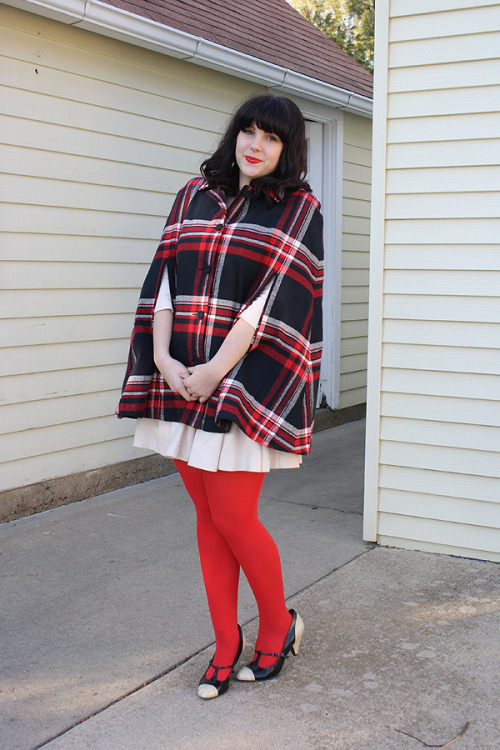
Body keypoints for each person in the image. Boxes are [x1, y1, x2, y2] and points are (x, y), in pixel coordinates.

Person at [117, 93, 324, 700]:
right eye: (248, 131)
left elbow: (273, 302)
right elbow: (163, 277)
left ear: (288, 150)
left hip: (241, 383)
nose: (254, 145)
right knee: (207, 516)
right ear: (234, 134)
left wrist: (213, 372)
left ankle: (278, 627)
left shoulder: (299, 207)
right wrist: (163, 360)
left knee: (234, 514)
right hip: (180, 375)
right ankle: (225, 641)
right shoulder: (192, 194)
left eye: (271, 138)